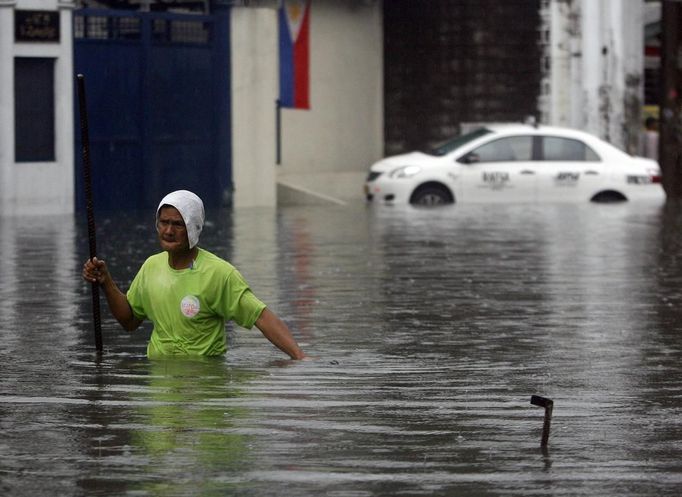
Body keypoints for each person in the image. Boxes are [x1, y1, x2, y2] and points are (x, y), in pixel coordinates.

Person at [82, 190, 306, 360]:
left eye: (178, 224)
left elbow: (262, 317)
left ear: (193, 228)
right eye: (164, 223)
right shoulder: (151, 267)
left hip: (204, 388)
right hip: (160, 393)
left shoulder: (219, 273)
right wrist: (106, 282)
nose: (168, 231)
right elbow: (129, 321)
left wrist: (300, 358)